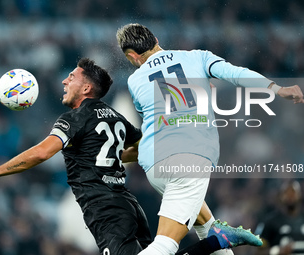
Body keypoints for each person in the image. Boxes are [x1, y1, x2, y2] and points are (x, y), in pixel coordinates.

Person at [0, 58, 262, 255]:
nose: (63, 82)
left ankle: (216, 239)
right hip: (127, 203)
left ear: (86, 87)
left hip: (105, 210)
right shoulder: (115, 117)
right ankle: (216, 239)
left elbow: (43, 152)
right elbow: (147, 143)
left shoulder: (75, 117)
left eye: (70, 77)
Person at [116, 23, 304, 255]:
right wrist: (277, 88)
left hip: (155, 165)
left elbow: (161, 112)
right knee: (164, 245)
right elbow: (236, 74)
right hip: (187, 162)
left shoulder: (134, 81)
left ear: (133, 56)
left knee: (211, 231)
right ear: (155, 38)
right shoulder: (198, 57)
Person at [255, 180, 304, 255]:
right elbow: (257, 251)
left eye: (293, 192)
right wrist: (277, 251)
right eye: (286, 193)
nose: (290, 196)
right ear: (280, 196)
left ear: (300, 195)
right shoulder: (269, 222)